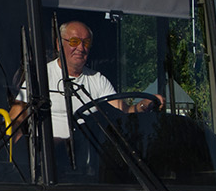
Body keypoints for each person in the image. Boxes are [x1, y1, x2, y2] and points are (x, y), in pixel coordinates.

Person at [9, 19, 158, 142]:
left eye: (86, 43)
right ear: (59, 45)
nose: (80, 48)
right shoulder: (40, 77)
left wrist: (143, 105)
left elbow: (124, 111)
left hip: (86, 160)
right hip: (48, 160)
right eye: (74, 41)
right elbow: (15, 120)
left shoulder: (97, 80)